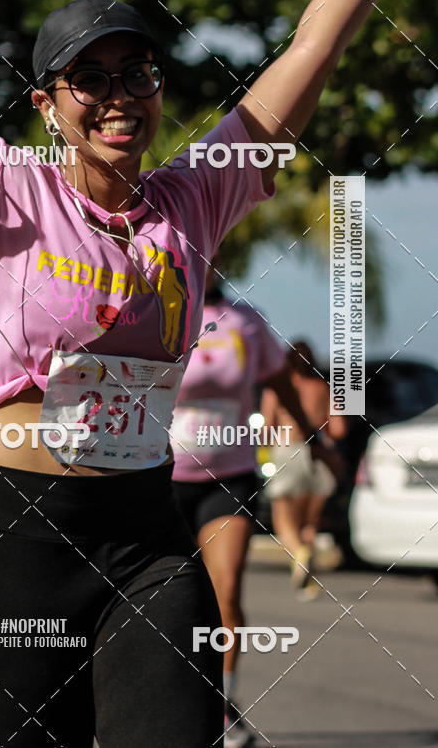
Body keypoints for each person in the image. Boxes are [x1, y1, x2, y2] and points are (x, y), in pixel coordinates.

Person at [0, 0, 434, 743]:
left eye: (139, 74)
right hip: (10, 547)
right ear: (49, 103)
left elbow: (315, 42)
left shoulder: (197, 195)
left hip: (147, 539)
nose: (120, 98)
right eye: (93, 79)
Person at [169, 266, 330, 747]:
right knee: (161, 597)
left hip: (229, 476)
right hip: (161, 475)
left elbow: (282, 388)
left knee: (227, 592)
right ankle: (161, 693)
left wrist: (316, 445)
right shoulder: (158, 311)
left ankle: (220, 704)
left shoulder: (247, 322)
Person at [262, 341, 349, 599]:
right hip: (317, 457)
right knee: (309, 523)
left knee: (283, 518)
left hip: (287, 452)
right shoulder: (323, 389)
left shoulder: (278, 389)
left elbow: (267, 427)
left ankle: (299, 552)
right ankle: (308, 583)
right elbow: (340, 429)